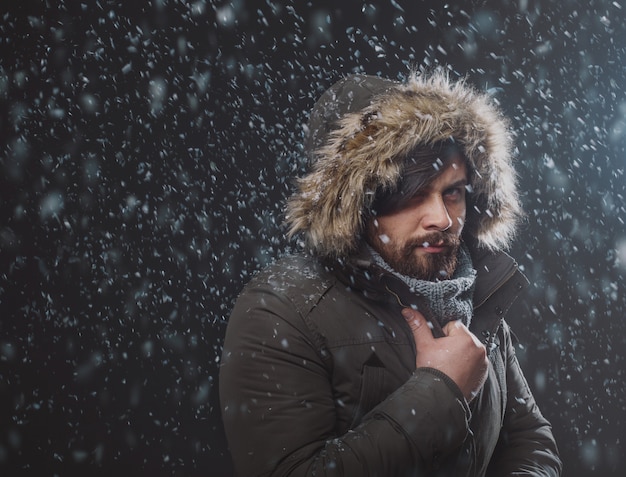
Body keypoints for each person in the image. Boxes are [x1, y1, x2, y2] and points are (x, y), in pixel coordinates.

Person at [219, 68, 562, 476]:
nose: (441, 218)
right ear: (357, 206)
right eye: (413, 193)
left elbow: (530, 441)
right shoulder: (279, 311)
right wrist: (440, 391)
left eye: (451, 191)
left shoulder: (470, 288)